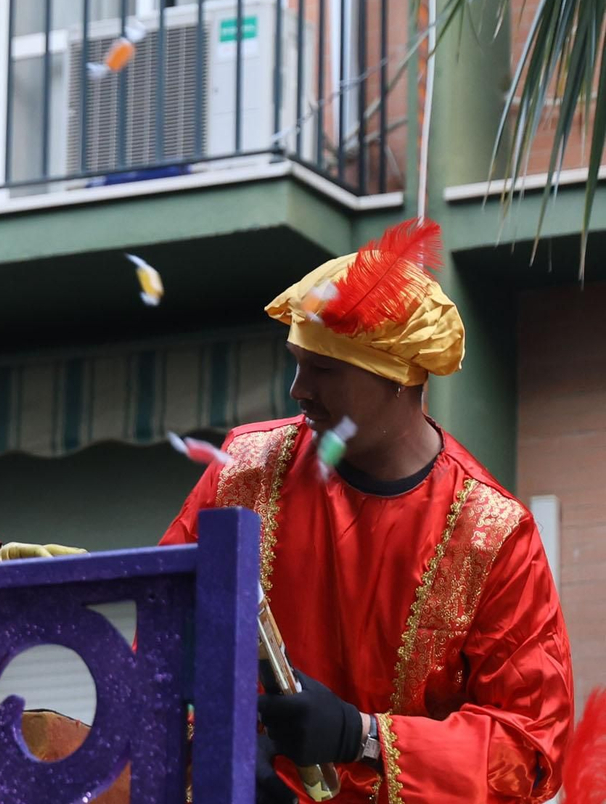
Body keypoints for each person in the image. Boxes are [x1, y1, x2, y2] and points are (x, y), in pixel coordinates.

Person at [161, 218, 573, 804]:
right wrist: (215, 752)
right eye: (297, 362)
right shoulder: (245, 468)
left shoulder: (496, 537)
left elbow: (530, 748)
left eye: (324, 370)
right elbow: (159, 630)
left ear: (399, 380)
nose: (299, 390)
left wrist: (363, 736)